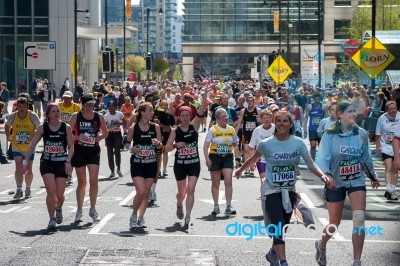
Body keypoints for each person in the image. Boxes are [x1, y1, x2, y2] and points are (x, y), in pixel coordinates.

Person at [234, 110, 335, 266]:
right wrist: (241, 169)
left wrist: (323, 176)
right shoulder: (266, 143)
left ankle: (273, 252)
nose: (281, 124)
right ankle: (283, 262)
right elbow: (254, 158)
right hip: (271, 190)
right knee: (278, 226)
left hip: (289, 191)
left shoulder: (298, 143)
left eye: (285, 121)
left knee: (283, 227)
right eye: (279, 121)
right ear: (276, 123)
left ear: (290, 124)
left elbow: (310, 164)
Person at [315, 101, 380, 266]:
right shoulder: (329, 135)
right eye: (350, 111)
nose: (354, 114)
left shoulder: (362, 134)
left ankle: (357, 260)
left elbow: (365, 158)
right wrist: (327, 176)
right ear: (340, 114)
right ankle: (321, 245)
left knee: (359, 218)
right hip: (335, 182)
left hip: (356, 180)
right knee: (334, 224)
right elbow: (322, 158)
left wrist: (373, 176)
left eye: (354, 112)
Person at [23, 103, 74, 229]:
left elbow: (71, 147)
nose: (56, 113)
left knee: (60, 195)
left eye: (58, 111)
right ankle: (52, 218)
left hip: (61, 162)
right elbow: (33, 145)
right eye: (53, 111)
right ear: (48, 114)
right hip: (47, 161)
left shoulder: (65, 127)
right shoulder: (43, 127)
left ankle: (58, 208)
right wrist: (25, 162)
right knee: (51, 191)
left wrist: (68, 162)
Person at [165, 90, 207, 226]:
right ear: (179, 117)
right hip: (180, 164)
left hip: (194, 163)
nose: (185, 117)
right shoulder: (175, 130)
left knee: (191, 190)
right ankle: (179, 203)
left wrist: (205, 97)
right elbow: (167, 148)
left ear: (190, 116)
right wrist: (176, 144)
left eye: (187, 115)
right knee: (182, 193)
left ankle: (188, 216)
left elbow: (201, 111)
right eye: (182, 115)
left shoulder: (194, 126)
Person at [69, 94, 108, 223]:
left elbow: (105, 132)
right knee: (82, 182)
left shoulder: (98, 116)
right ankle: (79, 210)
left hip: (93, 151)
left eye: (92, 105)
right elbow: (68, 133)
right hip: (79, 150)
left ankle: (92, 208)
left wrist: (99, 138)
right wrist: (77, 137)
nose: (90, 107)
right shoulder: (76, 116)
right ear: (82, 104)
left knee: (94, 180)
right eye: (87, 105)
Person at [124, 102, 162, 229]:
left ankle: (141, 218)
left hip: (151, 163)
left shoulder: (155, 127)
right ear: (142, 112)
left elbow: (160, 145)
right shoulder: (133, 128)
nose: (152, 113)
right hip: (137, 163)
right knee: (140, 191)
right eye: (150, 111)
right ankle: (134, 215)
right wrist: (131, 149)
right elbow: (126, 143)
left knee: (146, 193)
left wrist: (157, 143)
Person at [204, 108, 240, 216]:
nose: (226, 118)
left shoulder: (231, 129)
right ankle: (216, 206)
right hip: (215, 157)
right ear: (218, 119)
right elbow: (206, 145)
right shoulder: (213, 130)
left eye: (227, 116)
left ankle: (228, 206)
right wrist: (207, 159)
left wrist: (237, 159)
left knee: (228, 181)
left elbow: (235, 145)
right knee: (216, 183)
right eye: (224, 117)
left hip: (228, 157)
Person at [5, 97, 41, 199]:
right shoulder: (13, 116)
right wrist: (8, 135)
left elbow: (40, 129)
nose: (22, 109)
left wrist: (33, 136)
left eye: (24, 106)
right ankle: (19, 189)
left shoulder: (32, 116)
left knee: (28, 169)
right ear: (17, 107)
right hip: (17, 146)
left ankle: (28, 188)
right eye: (20, 106)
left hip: (29, 148)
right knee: (18, 167)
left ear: (27, 107)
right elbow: (7, 125)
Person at [376, 101, 400, 200]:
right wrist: (379, 148)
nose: (394, 110)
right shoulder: (382, 119)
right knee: (388, 167)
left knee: (395, 168)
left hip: (398, 147)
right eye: (391, 109)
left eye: (395, 108)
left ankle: (391, 191)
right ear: (387, 110)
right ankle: (389, 189)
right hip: (386, 146)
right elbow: (378, 135)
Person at [236, 94, 261, 176]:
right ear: (246, 102)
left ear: (254, 102)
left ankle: (252, 168)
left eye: (251, 101)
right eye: (248, 101)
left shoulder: (258, 110)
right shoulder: (243, 111)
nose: (250, 102)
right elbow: (239, 122)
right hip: (246, 133)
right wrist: (235, 132)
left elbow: (261, 122)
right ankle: (247, 169)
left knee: (253, 151)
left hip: (255, 133)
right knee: (246, 150)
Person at [248, 109, 275, 183]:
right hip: (261, 160)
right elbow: (251, 148)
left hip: (274, 160)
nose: (266, 119)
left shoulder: (276, 129)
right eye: (264, 118)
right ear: (261, 120)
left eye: (268, 117)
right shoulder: (257, 130)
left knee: (274, 182)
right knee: (264, 182)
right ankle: (265, 194)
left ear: (272, 118)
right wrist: (252, 162)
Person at [304, 93, 328, 160]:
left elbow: (327, 118)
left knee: (320, 146)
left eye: (318, 99)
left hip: (320, 129)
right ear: (313, 100)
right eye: (315, 99)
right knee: (313, 145)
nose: (317, 101)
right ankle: (313, 160)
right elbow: (306, 118)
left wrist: (327, 128)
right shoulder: (309, 107)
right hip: (312, 129)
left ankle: (320, 160)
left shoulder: (324, 107)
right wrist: (305, 130)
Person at [103, 100, 124, 178]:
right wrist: (107, 127)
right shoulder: (106, 116)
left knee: (117, 152)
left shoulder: (119, 114)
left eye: (113, 106)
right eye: (110, 106)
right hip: (109, 135)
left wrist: (120, 122)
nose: (111, 107)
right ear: (108, 107)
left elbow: (123, 121)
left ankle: (118, 168)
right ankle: (112, 171)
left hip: (117, 134)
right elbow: (103, 126)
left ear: (115, 107)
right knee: (109, 153)